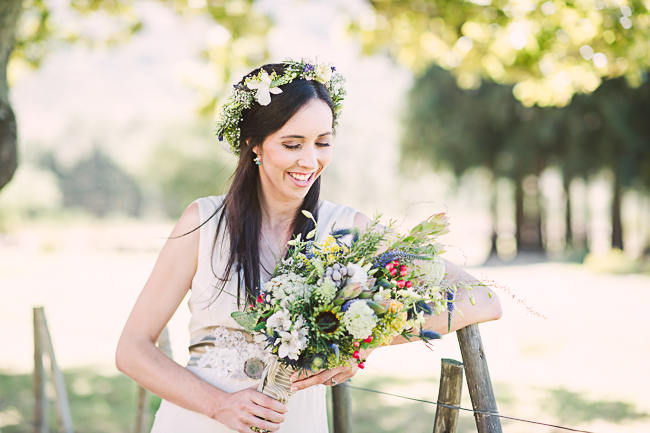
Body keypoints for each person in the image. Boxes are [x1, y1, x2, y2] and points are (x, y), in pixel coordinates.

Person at [115, 60, 503, 433]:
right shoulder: (204, 222)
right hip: (198, 422)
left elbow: (481, 298)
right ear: (254, 144)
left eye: (322, 142)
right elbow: (132, 349)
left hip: (295, 422)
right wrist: (218, 404)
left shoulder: (349, 229)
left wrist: (362, 340)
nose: (310, 160)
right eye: (292, 144)